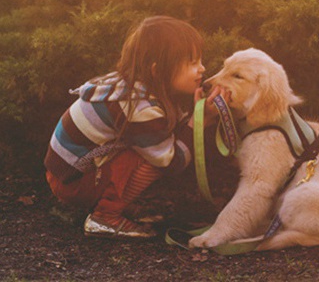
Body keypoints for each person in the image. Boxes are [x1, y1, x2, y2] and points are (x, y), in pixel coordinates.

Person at [43, 15, 228, 239]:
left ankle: (108, 203)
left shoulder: (131, 88)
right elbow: (171, 160)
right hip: (73, 182)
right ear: (157, 71)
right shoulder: (138, 107)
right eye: (192, 62)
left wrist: (197, 112)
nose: (202, 69)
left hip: (67, 174)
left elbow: (165, 130)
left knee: (150, 145)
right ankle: (104, 217)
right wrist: (202, 121)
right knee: (152, 157)